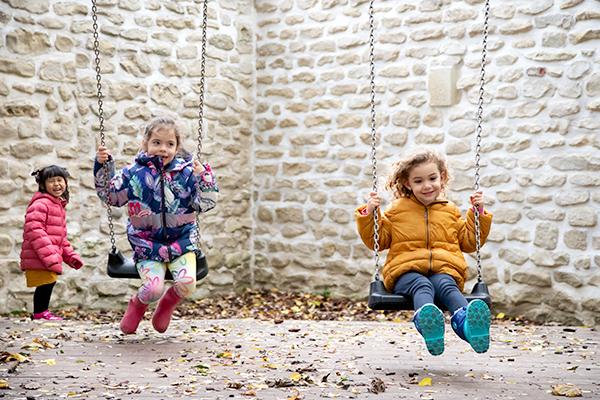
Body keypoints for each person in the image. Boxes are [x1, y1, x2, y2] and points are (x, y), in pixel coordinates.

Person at [356, 149, 493, 355]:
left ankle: (466, 325)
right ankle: (427, 321)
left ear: (442, 178)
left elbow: (469, 242)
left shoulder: (450, 211)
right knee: (422, 284)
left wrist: (478, 213)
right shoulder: (397, 210)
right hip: (406, 272)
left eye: (432, 178)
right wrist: (370, 213)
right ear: (407, 183)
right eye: (418, 181)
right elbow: (378, 240)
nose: (427, 185)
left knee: (447, 285)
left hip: (443, 269)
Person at [94, 116, 218, 334]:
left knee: (187, 283)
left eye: (170, 144)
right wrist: (103, 166)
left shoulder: (187, 174)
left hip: (182, 243)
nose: (163, 149)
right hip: (147, 245)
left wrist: (204, 177)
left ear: (177, 147)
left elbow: (206, 203)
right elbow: (110, 196)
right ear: (145, 143)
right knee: (153, 289)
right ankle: (138, 304)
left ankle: (167, 305)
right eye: (157, 142)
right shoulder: (133, 173)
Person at [20, 165, 84, 320]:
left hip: (46, 254)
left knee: (48, 282)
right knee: (46, 282)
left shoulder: (56, 205)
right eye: (51, 181)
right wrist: (49, 254)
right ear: (43, 185)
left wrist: (70, 256)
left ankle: (41, 312)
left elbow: (59, 238)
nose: (56, 184)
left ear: (66, 182)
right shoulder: (41, 204)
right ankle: (40, 313)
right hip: (39, 254)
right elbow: (34, 230)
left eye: (60, 180)